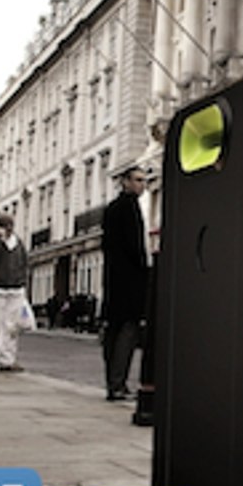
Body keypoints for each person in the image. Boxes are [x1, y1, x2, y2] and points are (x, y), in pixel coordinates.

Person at [101, 166, 150, 401]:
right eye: (138, 180)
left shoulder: (111, 209)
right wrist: (146, 270)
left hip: (113, 279)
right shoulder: (130, 208)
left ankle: (113, 382)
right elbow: (135, 246)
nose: (142, 185)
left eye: (144, 180)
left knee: (113, 333)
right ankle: (118, 384)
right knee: (127, 333)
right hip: (129, 281)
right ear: (125, 182)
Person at [0, 213, 30, 372]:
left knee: (12, 326)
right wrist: (2, 242)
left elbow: (24, 263)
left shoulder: (18, 243)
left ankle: (8, 360)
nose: (8, 229)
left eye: (10, 225)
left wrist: (22, 282)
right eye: (5, 225)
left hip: (16, 289)